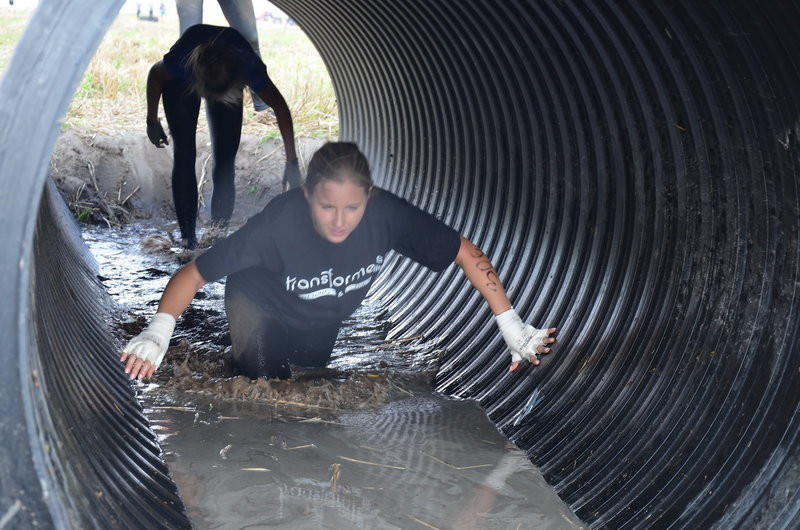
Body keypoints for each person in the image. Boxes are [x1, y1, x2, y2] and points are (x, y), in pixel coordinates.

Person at [121, 142, 557, 381]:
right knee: (265, 384)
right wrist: (158, 333)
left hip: (320, 319)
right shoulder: (278, 225)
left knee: (313, 375)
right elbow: (193, 274)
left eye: (353, 208)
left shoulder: (388, 216)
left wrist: (511, 325)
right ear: (307, 195)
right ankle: (240, 348)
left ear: (370, 196)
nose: (340, 221)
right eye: (327, 207)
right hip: (260, 301)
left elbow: (465, 252)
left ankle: (234, 345)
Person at [146, 24, 300, 249]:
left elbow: (279, 106)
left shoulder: (249, 66)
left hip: (229, 74)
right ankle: (188, 239)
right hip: (185, 80)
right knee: (184, 153)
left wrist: (292, 162)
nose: (211, 99)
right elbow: (155, 75)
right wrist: (152, 121)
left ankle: (217, 238)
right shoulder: (181, 62)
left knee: (226, 160)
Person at [175, 0, 269, 112]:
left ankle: (263, 105)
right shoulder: (174, 64)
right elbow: (157, 75)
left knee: (250, 37)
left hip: (235, 73)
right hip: (186, 64)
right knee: (188, 42)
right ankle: (186, 110)